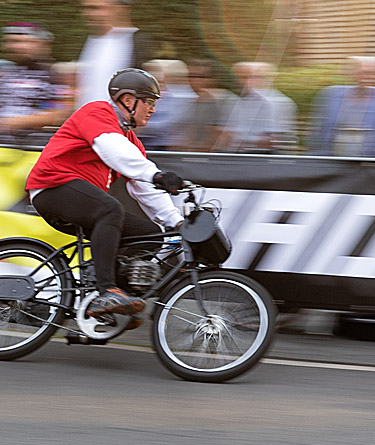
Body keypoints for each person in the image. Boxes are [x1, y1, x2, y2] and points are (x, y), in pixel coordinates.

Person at [26, 68, 188, 319]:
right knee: (110, 208)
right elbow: (113, 148)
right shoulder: (98, 112)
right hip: (52, 187)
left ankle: (107, 303)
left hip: (79, 199)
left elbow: (145, 187)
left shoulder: (130, 140)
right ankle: (106, 291)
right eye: (150, 102)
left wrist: (177, 222)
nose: (153, 110)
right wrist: (156, 175)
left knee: (150, 234)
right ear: (128, 100)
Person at [0, 22, 72, 146]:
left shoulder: (52, 76)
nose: (14, 46)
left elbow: (59, 114)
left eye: (21, 42)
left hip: (33, 147)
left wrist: (15, 122)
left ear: (41, 44)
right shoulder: (1, 75)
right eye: (9, 41)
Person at [75, 0, 156, 107]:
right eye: (86, 8)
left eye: (96, 8)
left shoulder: (138, 42)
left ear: (120, 9)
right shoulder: (91, 40)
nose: (88, 14)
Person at [307, 56, 375, 158]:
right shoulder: (332, 95)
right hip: (333, 158)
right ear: (351, 74)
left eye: (372, 73)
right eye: (361, 73)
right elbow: (318, 134)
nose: (365, 78)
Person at [137, 59, 196, 150]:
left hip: (168, 146)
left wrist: (141, 125)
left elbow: (169, 123)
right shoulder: (148, 96)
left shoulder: (182, 97)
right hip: (146, 143)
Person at [183, 59, 237, 152]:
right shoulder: (196, 101)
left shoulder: (225, 101)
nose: (194, 80)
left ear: (214, 79)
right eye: (191, 76)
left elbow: (221, 137)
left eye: (201, 76)